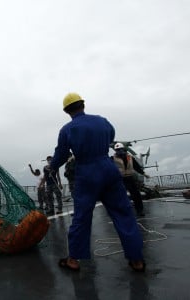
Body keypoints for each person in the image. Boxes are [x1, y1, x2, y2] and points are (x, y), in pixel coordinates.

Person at [48, 92, 145, 272]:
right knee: (124, 214)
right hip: (108, 169)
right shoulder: (102, 121)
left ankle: (73, 259)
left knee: (82, 217)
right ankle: (137, 259)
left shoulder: (67, 130)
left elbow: (61, 154)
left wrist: (52, 167)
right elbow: (110, 137)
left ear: (66, 111)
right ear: (83, 105)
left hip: (86, 172)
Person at [112, 142, 150, 217]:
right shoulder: (112, 159)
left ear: (124, 149)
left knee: (136, 195)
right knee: (119, 196)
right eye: (117, 150)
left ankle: (139, 211)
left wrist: (144, 174)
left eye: (120, 149)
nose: (119, 151)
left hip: (130, 178)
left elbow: (136, 167)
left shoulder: (130, 157)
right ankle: (121, 212)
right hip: (120, 179)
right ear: (115, 151)